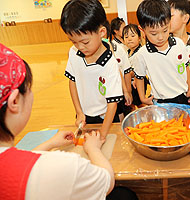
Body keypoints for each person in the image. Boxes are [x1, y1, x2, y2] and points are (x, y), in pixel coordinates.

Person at [0, 43, 114, 199]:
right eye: (29, 89)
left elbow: (17, 163)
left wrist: (50, 143)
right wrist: (93, 148)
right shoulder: (62, 167)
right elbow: (106, 181)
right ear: (14, 102)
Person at [60, 0, 123, 140]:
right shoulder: (73, 53)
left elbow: (112, 105)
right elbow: (73, 82)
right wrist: (79, 112)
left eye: (85, 42)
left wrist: (102, 136)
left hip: (106, 118)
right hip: (84, 116)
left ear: (101, 32)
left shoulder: (110, 64)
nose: (80, 47)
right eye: (73, 41)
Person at [134, 0, 190, 105]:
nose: (160, 37)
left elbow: (186, 66)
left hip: (182, 97)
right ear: (142, 30)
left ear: (169, 23)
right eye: (154, 33)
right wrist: (142, 98)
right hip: (160, 101)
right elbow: (139, 77)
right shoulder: (142, 54)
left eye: (165, 30)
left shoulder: (179, 44)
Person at [168, 0, 190, 89]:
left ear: (185, 18)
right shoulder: (165, 43)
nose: (166, 20)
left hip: (187, 94)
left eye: (170, 16)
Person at [123, 24, 148, 111]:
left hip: (138, 83)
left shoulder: (140, 52)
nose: (129, 39)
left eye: (133, 36)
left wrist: (125, 74)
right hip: (129, 83)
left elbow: (135, 71)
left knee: (140, 104)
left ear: (139, 38)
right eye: (126, 37)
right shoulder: (127, 52)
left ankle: (147, 116)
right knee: (131, 104)